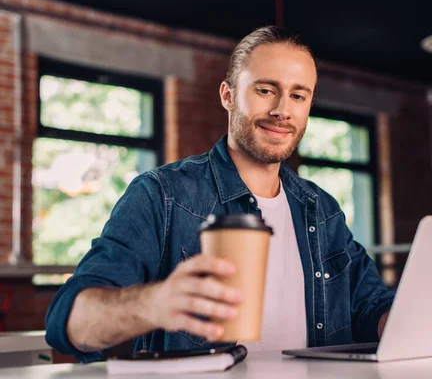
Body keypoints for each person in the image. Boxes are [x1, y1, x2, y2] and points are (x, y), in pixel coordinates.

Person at [45, 26, 394, 363]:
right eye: (265, 90)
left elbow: (372, 307)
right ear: (227, 95)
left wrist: (410, 317)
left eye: (298, 95)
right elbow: (68, 323)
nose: (282, 110)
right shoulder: (162, 195)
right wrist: (154, 303)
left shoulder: (322, 209)